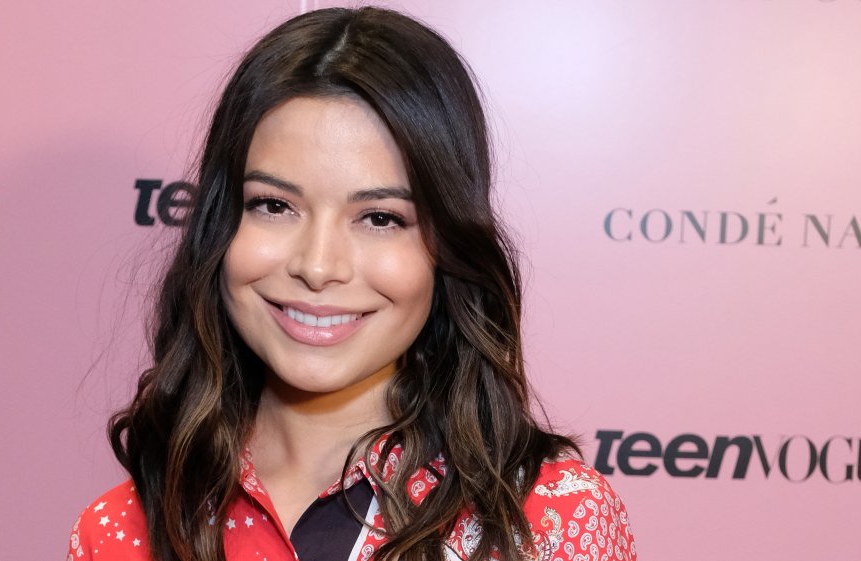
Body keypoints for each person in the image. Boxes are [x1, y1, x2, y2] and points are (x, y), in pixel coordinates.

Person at [68, 6, 636, 561]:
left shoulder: (548, 524)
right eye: (273, 205)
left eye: (380, 218)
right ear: (221, 225)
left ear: (447, 247)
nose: (318, 266)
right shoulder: (121, 533)